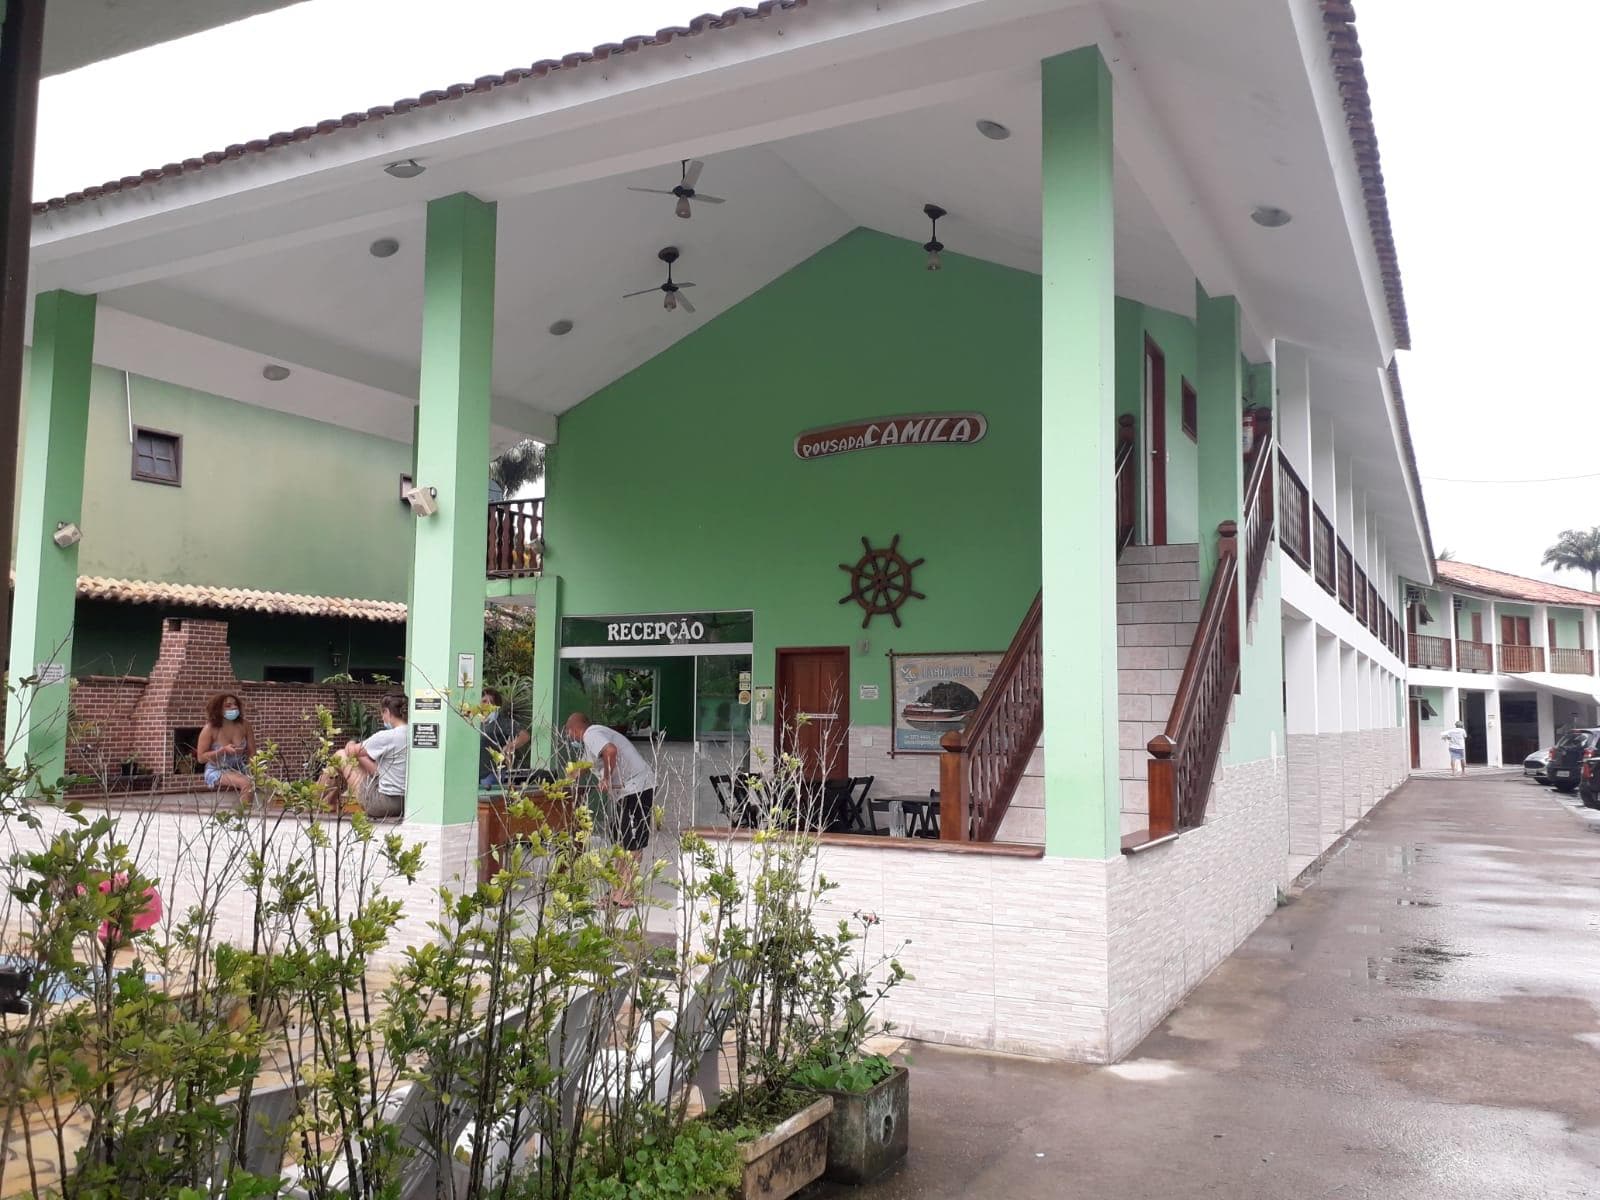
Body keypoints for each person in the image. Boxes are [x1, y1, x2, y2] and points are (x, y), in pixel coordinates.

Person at [564, 712, 655, 907]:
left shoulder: (591, 734)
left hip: (637, 788)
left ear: (574, 729)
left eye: (568, 734)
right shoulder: (592, 740)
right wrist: (569, 778)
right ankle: (615, 891)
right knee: (622, 844)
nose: (570, 739)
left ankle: (624, 895)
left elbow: (610, 751)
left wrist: (606, 778)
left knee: (632, 844)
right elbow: (586, 765)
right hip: (626, 792)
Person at [320, 693, 409, 817]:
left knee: (340, 755)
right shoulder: (413, 734)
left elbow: (350, 751)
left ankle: (315, 801)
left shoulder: (387, 736)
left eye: (382, 714)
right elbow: (377, 769)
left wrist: (351, 742)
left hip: (381, 804)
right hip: (404, 803)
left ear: (387, 712)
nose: (382, 718)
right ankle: (328, 803)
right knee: (360, 757)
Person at [197, 692, 256, 802]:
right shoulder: (209, 729)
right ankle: (245, 812)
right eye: (228, 706)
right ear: (218, 709)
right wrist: (222, 750)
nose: (233, 707)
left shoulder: (245, 725)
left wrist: (251, 769)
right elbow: (201, 758)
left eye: (235, 704)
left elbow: (252, 752)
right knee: (247, 783)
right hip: (218, 769)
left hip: (241, 767)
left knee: (272, 783)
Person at [479, 686, 531, 789]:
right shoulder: (475, 721)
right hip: (474, 772)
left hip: (491, 774)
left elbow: (525, 736)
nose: (487, 704)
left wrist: (509, 747)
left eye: (491, 702)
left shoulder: (502, 722)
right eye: (484, 701)